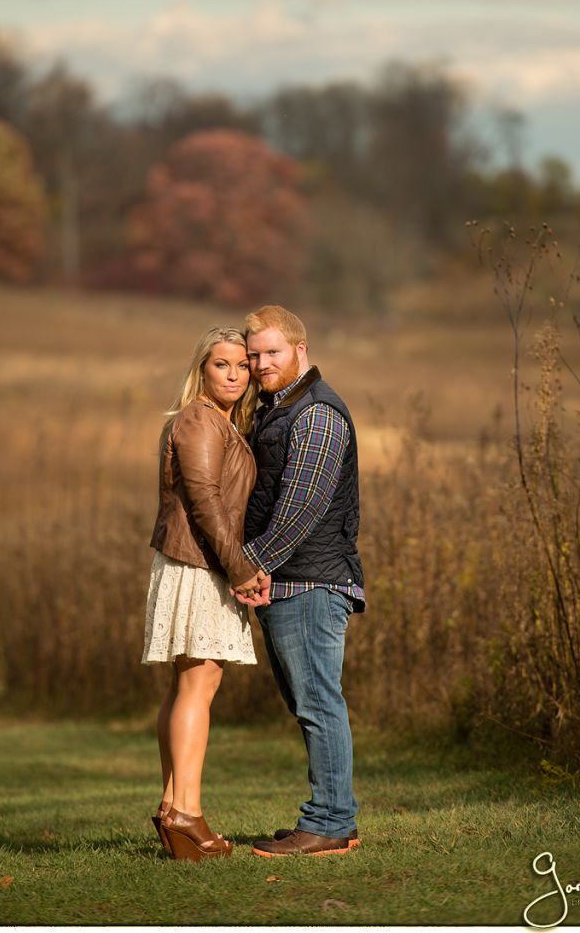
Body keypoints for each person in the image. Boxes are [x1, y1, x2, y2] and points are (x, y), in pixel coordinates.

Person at [236, 305, 365, 858]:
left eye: (273, 352)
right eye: (254, 354)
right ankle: (325, 815)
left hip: (310, 581)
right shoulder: (278, 410)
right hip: (288, 582)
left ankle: (333, 822)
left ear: (300, 351)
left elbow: (302, 507)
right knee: (309, 702)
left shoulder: (316, 414)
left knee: (318, 702)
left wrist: (251, 564)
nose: (262, 363)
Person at [141, 326, 269, 862]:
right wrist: (240, 569)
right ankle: (187, 815)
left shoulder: (217, 421)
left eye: (243, 365)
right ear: (203, 368)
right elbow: (205, 501)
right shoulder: (198, 419)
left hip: (200, 561)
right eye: (223, 365)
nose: (236, 374)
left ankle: (175, 808)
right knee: (199, 685)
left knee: (187, 684)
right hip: (200, 564)